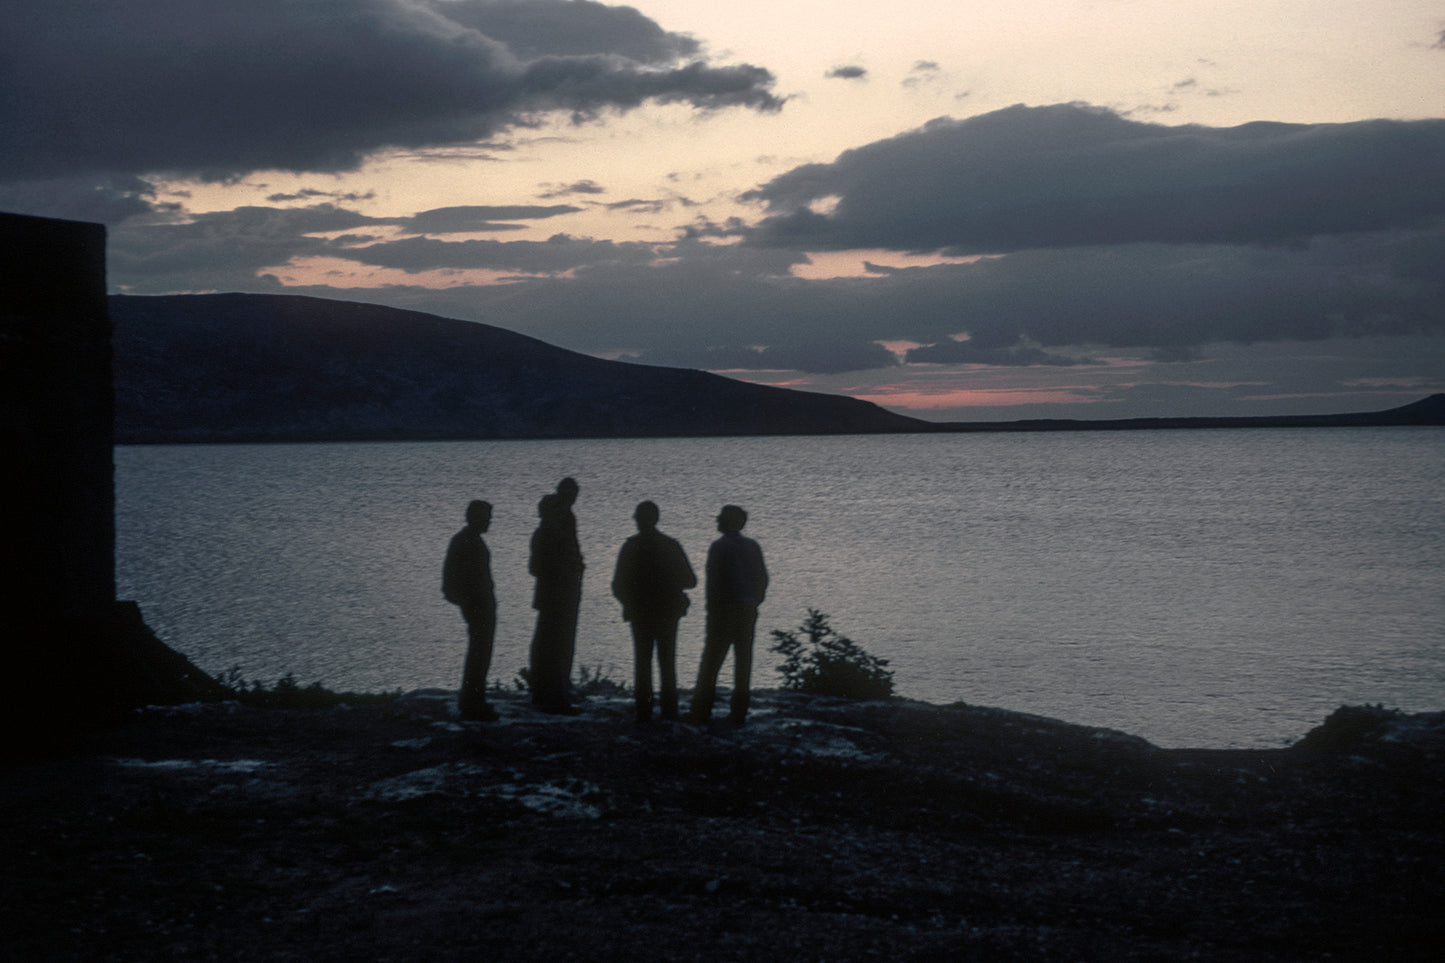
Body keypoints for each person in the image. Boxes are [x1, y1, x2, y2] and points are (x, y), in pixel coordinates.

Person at [611, 501, 697, 723]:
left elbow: (617, 585)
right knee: (667, 661)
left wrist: (629, 602)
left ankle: (644, 710)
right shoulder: (671, 545)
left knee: (642, 661)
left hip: (640, 612)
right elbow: (691, 580)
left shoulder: (630, 546)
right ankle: (669, 710)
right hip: (668, 612)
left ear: (638, 519)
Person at [687, 504, 768, 726]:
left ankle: (701, 710)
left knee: (711, 660)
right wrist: (755, 600)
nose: (717, 521)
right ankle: (739, 711)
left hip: (724, 610)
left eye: (720, 518)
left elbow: (713, 582)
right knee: (743, 661)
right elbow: (762, 578)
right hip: (747, 608)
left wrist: (712, 610)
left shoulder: (719, 547)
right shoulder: (753, 546)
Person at [528, 480, 584, 713]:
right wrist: (567, 572)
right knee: (555, 645)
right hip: (558, 594)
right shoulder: (549, 532)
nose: (571, 500)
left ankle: (549, 691)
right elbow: (538, 566)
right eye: (568, 495)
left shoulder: (562, 524)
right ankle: (554, 696)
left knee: (550, 643)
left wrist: (576, 569)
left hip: (561, 592)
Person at [442, 500, 498, 721]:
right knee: (478, 654)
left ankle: (475, 699)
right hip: (477, 606)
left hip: (480, 604)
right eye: (486, 517)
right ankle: (472, 702)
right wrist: (468, 601)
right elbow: (450, 581)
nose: (489, 522)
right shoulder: (465, 542)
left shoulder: (469, 541)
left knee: (480, 653)